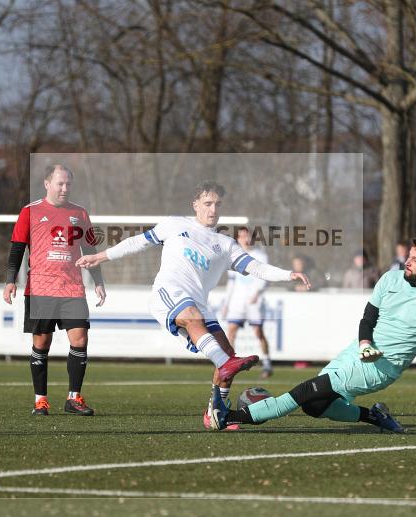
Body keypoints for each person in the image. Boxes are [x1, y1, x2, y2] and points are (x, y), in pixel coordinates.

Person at [76, 181, 310, 429]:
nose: (213, 209)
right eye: (207, 203)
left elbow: (257, 267)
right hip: (168, 294)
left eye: (218, 204)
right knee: (204, 331)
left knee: (226, 353)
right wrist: (99, 256)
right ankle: (224, 364)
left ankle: (216, 413)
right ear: (195, 205)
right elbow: (137, 242)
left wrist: (288, 274)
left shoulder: (226, 244)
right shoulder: (175, 224)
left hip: (198, 305)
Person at [210, 238, 416, 434]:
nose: (408, 262)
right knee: (314, 406)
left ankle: (229, 417)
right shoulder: (391, 278)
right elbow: (368, 318)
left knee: (304, 391)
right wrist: (364, 344)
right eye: (409, 257)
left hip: (380, 368)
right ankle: (374, 415)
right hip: (357, 351)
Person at [3, 164, 106, 417]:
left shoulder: (79, 213)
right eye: (60, 183)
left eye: (68, 184)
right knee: (42, 343)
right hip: (41, 287)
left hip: (72, 287)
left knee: (80, 339)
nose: (65, 188)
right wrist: (10, 280)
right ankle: (40, 401)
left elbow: (90, 250)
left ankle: (74, 398)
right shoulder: (30, 211)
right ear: (47, 184)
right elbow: (17, 248)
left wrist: (99, 281)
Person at [221, 227, 273, 379]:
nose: (245, 238)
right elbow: (231, 283)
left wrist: (257, 293)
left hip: (253, 301)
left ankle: (267, 364)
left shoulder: (260, 256)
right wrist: (226, 304)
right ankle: (230, 364)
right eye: (242, 236)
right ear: (238, 239)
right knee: (231, 331)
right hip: (237, 301)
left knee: (258, 332)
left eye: (247, 235)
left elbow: (265, 277)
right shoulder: (233, 256)